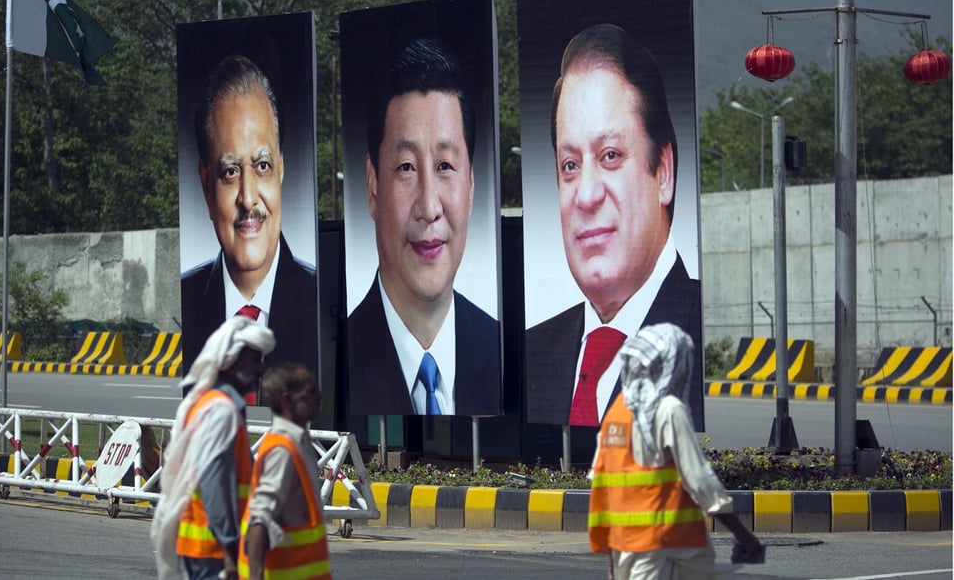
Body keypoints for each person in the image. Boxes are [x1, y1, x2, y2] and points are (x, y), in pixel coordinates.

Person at [525, 23, 703, 428]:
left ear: (664, 171)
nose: (586, 196)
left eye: (609, 156)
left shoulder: (699, 334)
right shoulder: (532, 350)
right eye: (569, 166)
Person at [347, 37, 500, 416]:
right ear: (372, 185)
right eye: (406, 168)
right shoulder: (337, 357)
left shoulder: (501, 349)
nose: (429, 207)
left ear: (471, 184)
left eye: (445, 167)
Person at [181, 53, 318, 385]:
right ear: (206, 185)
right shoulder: (190, 299)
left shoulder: (318, 304)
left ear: (281, 170)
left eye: (263, 166)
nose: (248, 197)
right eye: (230, 171)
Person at [588, 323, 763, 579]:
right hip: (670, 548)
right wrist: (744, 536)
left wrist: (612, 559)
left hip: (628, 547)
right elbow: (700, 479)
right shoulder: (669, 409)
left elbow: (602, 487)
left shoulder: (617, 411)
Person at [151, 316, 277, 580]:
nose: (260, 369)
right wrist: (231, 551)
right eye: (255, 360)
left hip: (206, 546)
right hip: (213, 551)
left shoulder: (212, 403)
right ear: (233, 361)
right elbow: (213, 485)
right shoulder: (221, 411)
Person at [239, 363, 332, 579]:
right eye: (311, 392)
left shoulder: (298, 442)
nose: (319, 397)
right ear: (287, 400)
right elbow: (259, 520)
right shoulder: (283, 450)